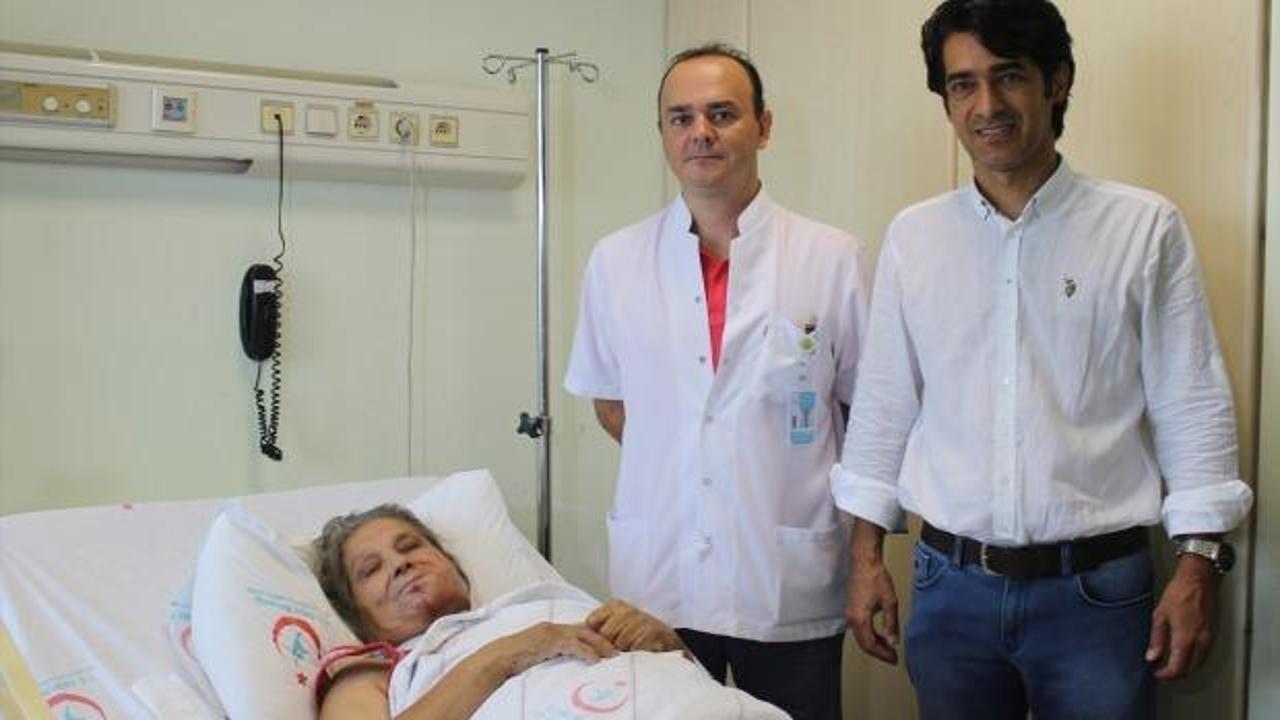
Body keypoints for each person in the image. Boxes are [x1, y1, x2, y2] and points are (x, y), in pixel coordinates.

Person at [832, 1, 1255, 718]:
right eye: (962, 84)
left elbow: (1190, 403)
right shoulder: (915, 238)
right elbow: (884, 405)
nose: (986, 105)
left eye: (1009, 76)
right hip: (949, 591)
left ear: (1056, 82)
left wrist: (1198, 567)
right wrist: (865, 557)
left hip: (1097, 596)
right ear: (946, 100)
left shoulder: (1142, 228)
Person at [564, 43, 869, 720]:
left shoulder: (831, 257)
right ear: (663, 133)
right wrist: (692, 454)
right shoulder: (616, 260)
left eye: (722, 114)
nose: (700, 132)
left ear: (764, 126)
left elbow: (866, 413)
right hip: (660, 577)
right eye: (681, 118)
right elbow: (611, 403)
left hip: (784, 574)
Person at [311, 504, 786, 719]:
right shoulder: (379, 672)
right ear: (357, 617)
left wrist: (667, 644)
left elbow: (681, 680)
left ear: (454, 566)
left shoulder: (544, 601)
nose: (400, 564)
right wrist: (509, 654)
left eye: (410, 546)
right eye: (371, 569)